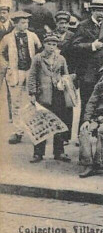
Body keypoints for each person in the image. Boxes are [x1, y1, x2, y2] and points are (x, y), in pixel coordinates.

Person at [28, 33, 71, 163]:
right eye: (49, 44)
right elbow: (32, 76)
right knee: (41, 124)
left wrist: (63, 83)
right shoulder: (38, 58)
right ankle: (38, 153)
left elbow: (66, 75)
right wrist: (32, 93)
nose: (51, 47)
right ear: (44, 44)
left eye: (54, 44)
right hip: (43, 96)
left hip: (58, 96)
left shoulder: (61, 59)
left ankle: (59, 152)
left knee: (58, 123)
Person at [2, 11, 41, 144]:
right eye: (23, 22)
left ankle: (33, 130)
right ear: (16, 23)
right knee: (16, 103)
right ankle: (18, 131)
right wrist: (7, 65)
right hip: (15, 72)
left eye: (27, 22)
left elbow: (40, 49)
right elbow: (1, 53)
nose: (26, 25)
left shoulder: (33, 36)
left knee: (32, 101)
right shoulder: (7, 38)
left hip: (30, 72)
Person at [71, 0, 103, 124]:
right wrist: (92, 46)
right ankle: (83, 134)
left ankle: (96, 133)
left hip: (102, 72)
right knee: (87, 103)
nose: (102, 14)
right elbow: (74, 46)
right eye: (99, 10)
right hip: (87, 73)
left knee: (102, 103)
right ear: (92, 10)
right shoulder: (83, 25)